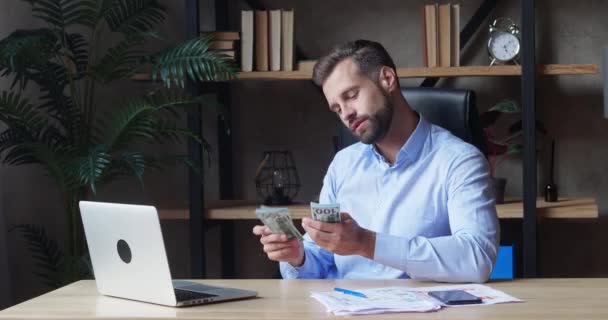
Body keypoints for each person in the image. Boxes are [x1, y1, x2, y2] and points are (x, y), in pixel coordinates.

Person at [252, 40, 499, 283]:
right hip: (343, 308)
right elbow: (320, 263)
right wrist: (298, 257)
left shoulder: (460, 161)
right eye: (337, 108)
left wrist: (367, 243)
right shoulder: (343, 164)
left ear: (387, 79)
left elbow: (477, 259)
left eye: (351, 95)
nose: (346, 114)